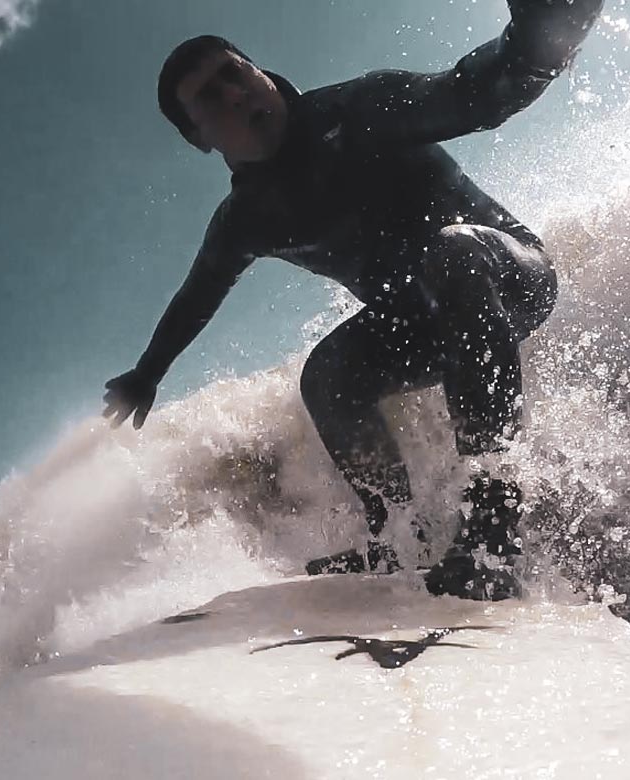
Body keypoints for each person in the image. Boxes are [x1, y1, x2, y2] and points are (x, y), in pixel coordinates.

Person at [102, 0, 604, 601]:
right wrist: (147, 374)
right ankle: (395, 537)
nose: (233, 96)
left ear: (260, 72)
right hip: (419, 323)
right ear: (199, 139)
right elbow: (196, 296)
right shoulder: (247, 218)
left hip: (507, 274)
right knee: (327, 375)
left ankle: (493, 527)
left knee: (454, 250)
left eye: (234, 74)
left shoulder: (359, 109)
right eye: (210, 98)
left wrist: (543, 34)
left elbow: (476, 95)